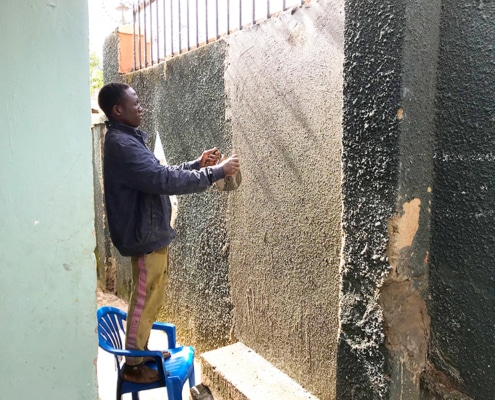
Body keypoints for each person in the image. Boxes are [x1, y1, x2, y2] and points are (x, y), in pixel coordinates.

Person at [97, 82, 240, 383]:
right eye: (134, 103)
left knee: (153, 296)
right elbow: (160, 180)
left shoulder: (128, 140)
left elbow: (157, 174)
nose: (141, 107)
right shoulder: (121, 144)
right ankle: (134, 367)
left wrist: (196, 165)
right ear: (117, 110)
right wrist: (214, 173)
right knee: (143, 299)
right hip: (143, 236)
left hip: (150, 232)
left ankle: (143, 351)